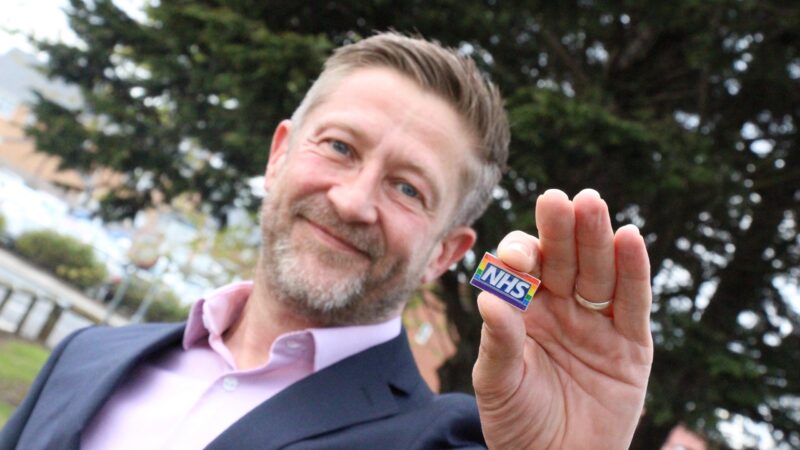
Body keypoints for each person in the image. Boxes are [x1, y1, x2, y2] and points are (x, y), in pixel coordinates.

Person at [0, 32, 653, 449]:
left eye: (408, 189)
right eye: (339, 147)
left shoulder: (436, 440)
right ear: (279, 155)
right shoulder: (86, 355)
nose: (352, 200)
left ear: (447, 255)